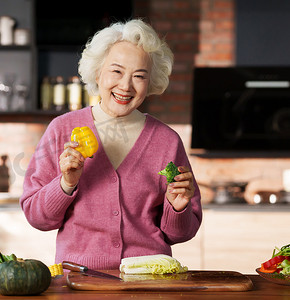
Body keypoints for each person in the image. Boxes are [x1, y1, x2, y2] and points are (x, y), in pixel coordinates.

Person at [20, 19, 202, 270]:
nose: (125, 86)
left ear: (150, 82)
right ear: (97, 72)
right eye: (116, 71)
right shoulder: (62, 129)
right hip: (79, 280)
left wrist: (177, 208)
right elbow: (37, 217)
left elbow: (179, 234)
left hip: (148, 279)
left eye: (139, 76)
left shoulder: (167, 141)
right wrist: (66, 183)